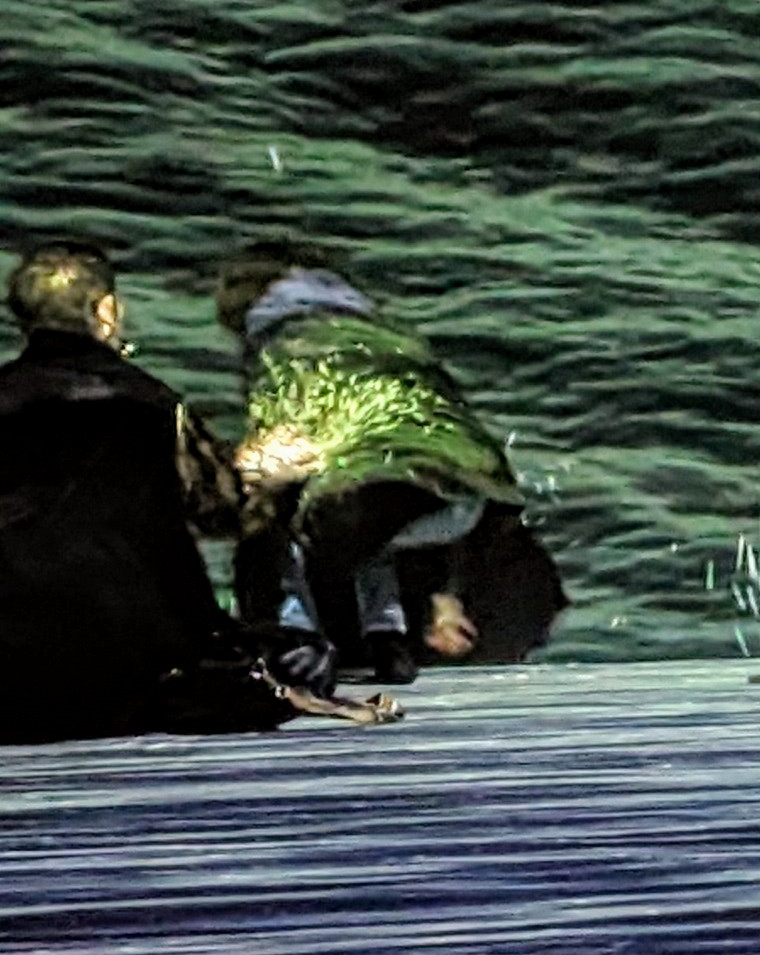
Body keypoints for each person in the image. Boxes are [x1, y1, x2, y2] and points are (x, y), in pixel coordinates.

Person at [2, 241, 395, 739]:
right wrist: (265, 471)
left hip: (14, 670)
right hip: (133, 665)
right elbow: (228, 515)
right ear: (106, 311)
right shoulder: (154, 405)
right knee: (303, 655)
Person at [214, 241, 564, 682]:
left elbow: (287, 451)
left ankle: (298, 640)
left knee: (286, 517)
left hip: (376, 503)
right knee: (371, 516)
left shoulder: (283, 345)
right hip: (472, 498)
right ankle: (397, 628)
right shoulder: (392, 335)